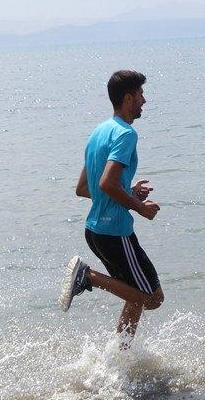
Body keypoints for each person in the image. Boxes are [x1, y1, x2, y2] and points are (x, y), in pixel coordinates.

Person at [59, 70, 164, 346]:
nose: (145, 100)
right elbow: (106, 183)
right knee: (153, 298)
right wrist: (138, 207)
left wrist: (127, 192)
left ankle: (121, 355)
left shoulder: (99, 132)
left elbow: (84, 188)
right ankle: (88, 276)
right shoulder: (126, 134)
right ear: (128, 98)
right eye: (141, 94)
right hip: (115, 233)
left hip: (95, 231)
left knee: (133, 294)